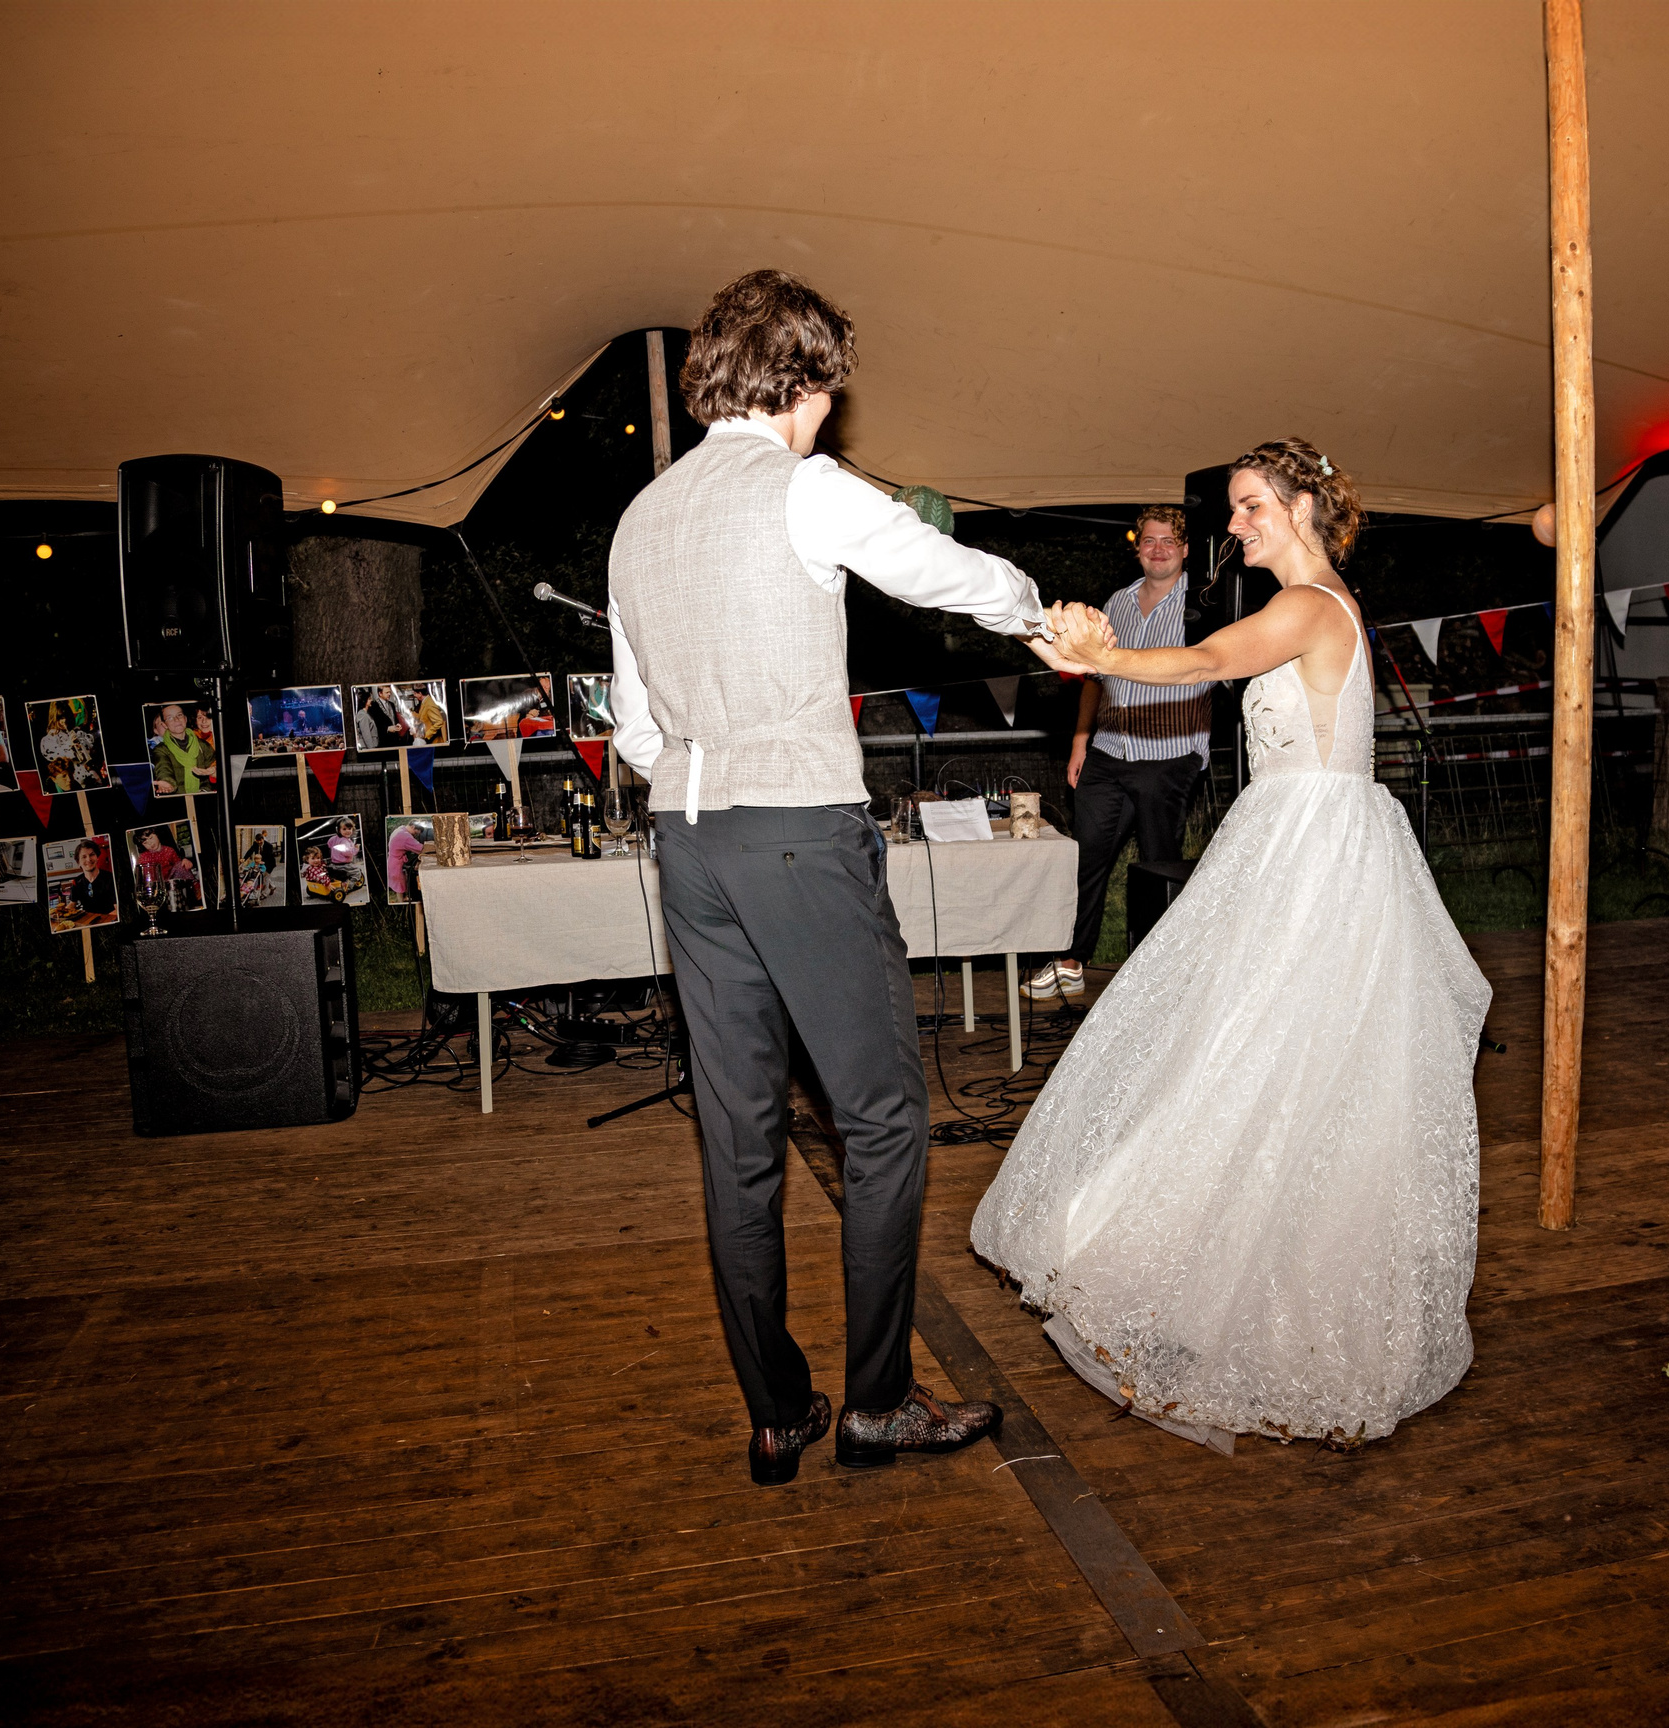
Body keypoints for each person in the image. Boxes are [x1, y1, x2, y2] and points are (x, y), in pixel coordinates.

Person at [607, 267, 1109, 1487]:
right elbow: (942, 569)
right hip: (792, 833)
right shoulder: (802, 488)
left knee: (737, 1140)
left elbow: (631, 726)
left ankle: (777, 1412)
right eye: (829, 386)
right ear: (805, 378)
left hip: (685, 836)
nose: (832, 410)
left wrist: (699, 769)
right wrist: (1050, 619)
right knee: (882, 1119)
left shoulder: (642, 520)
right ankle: (877, 1403)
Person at [971, 439, 1492, 1452]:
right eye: (1234, 506)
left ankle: (1232, 1282)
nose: (1237, 522)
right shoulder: (1316, 602)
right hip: (1301, 842)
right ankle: (1215, 1263)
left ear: (1301, 506)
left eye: (1250, 504)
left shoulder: (1306, 604)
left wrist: (1104, 657)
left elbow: (1207, 664)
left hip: (1310, 856)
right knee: (1259, 1055)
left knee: (1256, 1055)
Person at [1023, 503, 1216, 1001]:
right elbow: (1094, 677)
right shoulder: (1117, 601)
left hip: (1170, 751)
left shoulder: (1204, 605)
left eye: (1168, 541)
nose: (1157, 550)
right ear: (1138, 547)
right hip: (1108, 750)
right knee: (1086, 856)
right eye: (1149, 541)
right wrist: (1080, 740)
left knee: (1159, 862)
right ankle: (1070, 959)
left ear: (1186, 549)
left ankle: (1162, 972)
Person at [149, 703, 215, 796]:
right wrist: (167, 782)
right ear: (164, 725)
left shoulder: (203, 745)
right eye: (170, 718)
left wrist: (214, 772)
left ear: (185, 718)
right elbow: (163, 768)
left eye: (179, 715)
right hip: (177, 800)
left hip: (204, 798)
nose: (176, 720)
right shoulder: (161, 749)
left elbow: (214, 766)